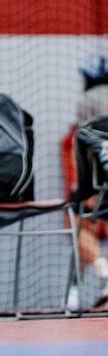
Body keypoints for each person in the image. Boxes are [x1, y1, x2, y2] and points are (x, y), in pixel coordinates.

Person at [62, 56, 108, 313]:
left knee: (79, 223)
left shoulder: (86, 103)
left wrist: (83, 187)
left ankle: (103, 271)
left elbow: (84, 142)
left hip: (99, 184)